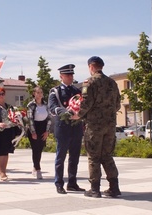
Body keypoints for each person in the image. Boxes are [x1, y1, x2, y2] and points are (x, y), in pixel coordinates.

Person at [76, 56, 121, 198]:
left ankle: (95, 189)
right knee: (107, 155)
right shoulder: (112, 83)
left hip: (95, 126)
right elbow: (118, 105)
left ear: (91, 67)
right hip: (110, 126)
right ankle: (114, 187)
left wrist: (77, 115)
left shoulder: (89, 83)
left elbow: (86, 104)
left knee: (93, 157)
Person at [48, 64, 84, 194]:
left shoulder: (76, 90)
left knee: (74, 156)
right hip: (63, 127)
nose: (70, 77)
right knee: (61, 156)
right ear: (61, 76)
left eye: (72, 75)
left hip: (76, 127)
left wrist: (79, 115)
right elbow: (52, 107)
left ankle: (72, 183)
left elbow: (82, 105)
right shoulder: (55, 91)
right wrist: (68, 113)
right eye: (68, 75)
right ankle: (59, 183)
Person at [27, 87, 51, 179]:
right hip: (34, 127)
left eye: (41, 92)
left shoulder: (45, 104)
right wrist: (33, 132)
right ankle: (38, 169)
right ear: (34, 94)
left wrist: (47, 131)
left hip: (43, 127)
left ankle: (35, 166)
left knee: (40, 149)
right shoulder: (31, 105)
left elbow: (49, 118)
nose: (40, 94)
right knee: (35, 149)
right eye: (37, 92)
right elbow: (30, 119)